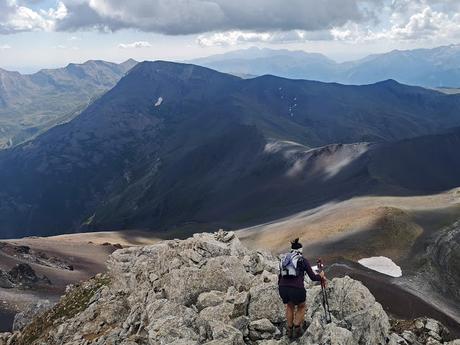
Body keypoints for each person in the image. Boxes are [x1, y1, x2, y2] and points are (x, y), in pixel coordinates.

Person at [278, 238, 326, 339]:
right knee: (301, 306)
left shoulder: (284, 259)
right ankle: (297, 327)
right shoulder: (303, 260)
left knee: (289, 306)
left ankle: (289, 330)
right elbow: (313, 277)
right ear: (301, 250)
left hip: (282, 288)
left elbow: (280, 277)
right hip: (297, 289)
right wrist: (321, 276)